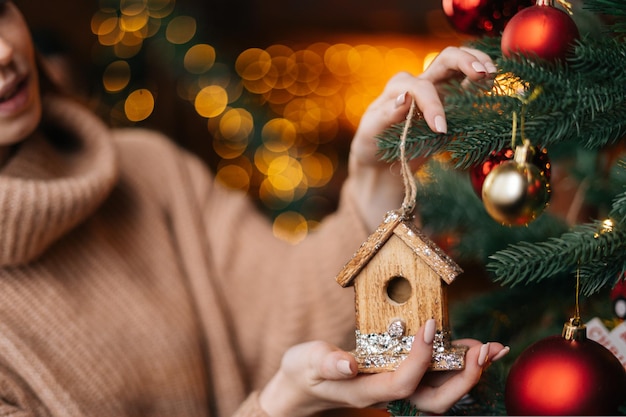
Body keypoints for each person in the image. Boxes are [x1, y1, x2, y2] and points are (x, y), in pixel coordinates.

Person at [0, 1, 508, 416]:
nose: (3, 52)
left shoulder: (149, 171)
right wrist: (280, 404)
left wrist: (376, 177)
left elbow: (283, 310)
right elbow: (286, 381)